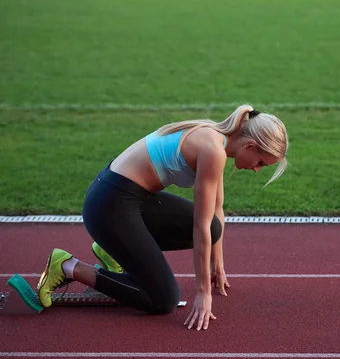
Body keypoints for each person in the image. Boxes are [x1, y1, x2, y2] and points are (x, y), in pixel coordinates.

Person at [36, 104, 289, 331]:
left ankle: (114, 252)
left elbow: (215, 211)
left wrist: (217, 265)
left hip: (128, 199)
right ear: (250, 145)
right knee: (162, 300)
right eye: (261, 163)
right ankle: (68, 266)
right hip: (109, 206)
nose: (257, 169)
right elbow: (199, 228)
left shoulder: (217, 137)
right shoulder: (213, 151)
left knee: (213, 228)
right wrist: (203, 293)